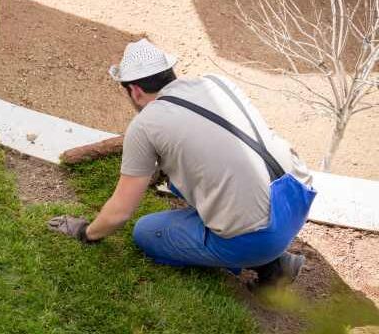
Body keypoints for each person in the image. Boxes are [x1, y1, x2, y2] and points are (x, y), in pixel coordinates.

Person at [48, 39, 317, 288]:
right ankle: (271, 254)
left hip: (259, 237)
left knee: (146, 232)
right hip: (298, 198)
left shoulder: (145, 124)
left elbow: (120, 213)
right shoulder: (216, 83)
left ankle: (271, 265)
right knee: (188, 181)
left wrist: (86, 232)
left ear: (135, 90)